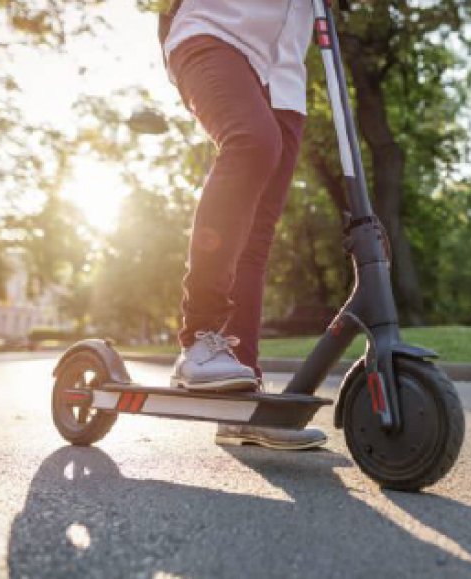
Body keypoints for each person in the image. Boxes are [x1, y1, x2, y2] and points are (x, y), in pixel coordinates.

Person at [161, 0, 326, 450]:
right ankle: (199, 340)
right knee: (252, 142)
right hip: (216, 31)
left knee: (256, 237)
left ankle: (241, 402)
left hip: (286, 75)